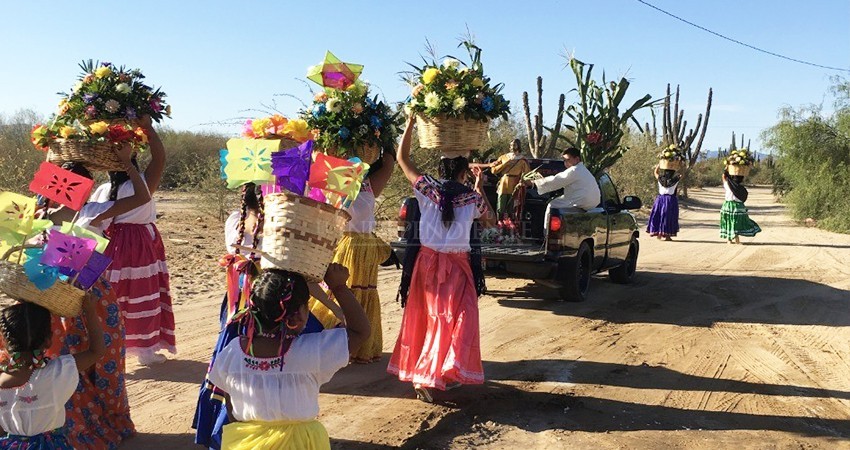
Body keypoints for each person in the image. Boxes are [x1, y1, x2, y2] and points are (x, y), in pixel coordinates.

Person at [193, 183, 326, 449]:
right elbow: (295, 278)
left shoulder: (235, 221)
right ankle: (279, 420)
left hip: (239, 306)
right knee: (287, 361)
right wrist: (334, 305)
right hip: (272, 304)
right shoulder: (280, 230)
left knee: (236, 364)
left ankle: (229, 430)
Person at [35, 148, 146, 449]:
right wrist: (128, 166)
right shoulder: (82, 214)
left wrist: (51, 154)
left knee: (65, 359)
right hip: (87, 295)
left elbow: (140, 200)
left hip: (60, 295)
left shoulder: (42, 217)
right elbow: (141, 198)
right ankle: (99, 419)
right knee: (95, 358)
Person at [388, 115, 495, 403]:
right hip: (457, 266)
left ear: (440, 168)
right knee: (460, 319)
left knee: (431, 319)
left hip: (428, 264)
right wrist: (479, 185)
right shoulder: (472, 200)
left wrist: (410, 122)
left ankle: (440, 369)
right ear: (463, 172)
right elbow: (491, 220)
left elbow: (402, 158)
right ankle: (433, 371)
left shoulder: (426, 189)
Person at [207, 264, 370, 450]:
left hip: (245, 443)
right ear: (300, 314)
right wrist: (339, 287)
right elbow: (360, 331)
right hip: (301, 444)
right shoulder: (313, 350)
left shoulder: (233, 351)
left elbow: (232, 409)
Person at [87, 115, 176, 365]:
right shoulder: (140, 185)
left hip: (113, 243)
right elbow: (159, 158)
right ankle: (143, 350)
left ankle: (117, 347)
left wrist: (147, 127)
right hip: (138, 244)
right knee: (141, 293)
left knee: (115, 294)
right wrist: (147, 128)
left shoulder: (106, 189)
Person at [309, 150, 394, 364]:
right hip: (346, 244)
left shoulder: (368, 183)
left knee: (362, 290)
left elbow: (389, 164)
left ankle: (359, 344)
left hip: (366, 245)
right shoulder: (336, 176)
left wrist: (384, 137)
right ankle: (333, 343)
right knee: (343, 289)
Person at [0, 297, 105, 449]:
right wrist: (89, 311)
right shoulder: (56, 372)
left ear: (5, 342)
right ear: (49, 340)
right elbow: (97, 351)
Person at [524, 147, 600, 213]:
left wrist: (533, 183)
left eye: (567, 160)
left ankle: (545, 229)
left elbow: (556, 181)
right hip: (590, 204)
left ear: (577, 159)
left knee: (552, 205)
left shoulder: (574, 170)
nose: (565, 163)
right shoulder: (583, 170)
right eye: (564, 160)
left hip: (580, 202)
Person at [489, 139, 530, 220]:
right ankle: (499, 223)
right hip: (504, 183)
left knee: (512, 208)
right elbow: (493, 170)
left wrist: (523, 181)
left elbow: (527, 174)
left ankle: (511, 225)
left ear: (518, 146)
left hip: (515, 184)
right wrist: (505, 164)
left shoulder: (522, 160)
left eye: (514, 145)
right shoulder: (503, 157)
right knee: (501, 206)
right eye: (511, 145)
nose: (512, 147)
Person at [720, 169, 761, 244]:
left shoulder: (727, 185)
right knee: (736, 222)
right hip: (738, 207)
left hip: (727, 206)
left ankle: (729, 239)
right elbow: (744, 197)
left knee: (729, 221)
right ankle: (736, 239)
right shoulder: (742, 189)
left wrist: (726, 169)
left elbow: (724, 177)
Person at [646, 165, 681, 241]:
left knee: (658, 215)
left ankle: (659, 233)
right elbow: (681, 174)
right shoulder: (675, 180)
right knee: (668, 217)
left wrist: (659, 165)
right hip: (670, 200)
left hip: (660, 199)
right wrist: (681, 166)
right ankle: (667, 235)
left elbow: (655, 172)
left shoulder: (660, 179)